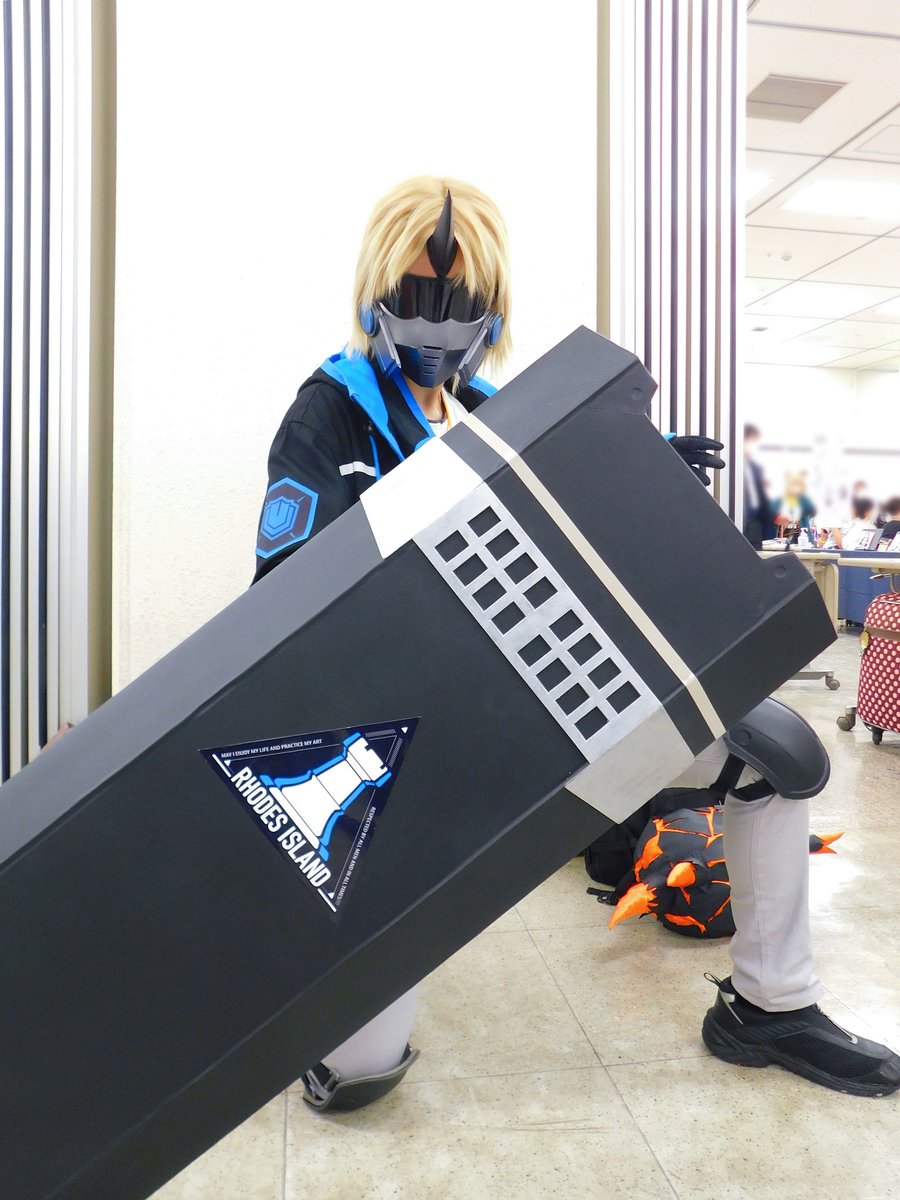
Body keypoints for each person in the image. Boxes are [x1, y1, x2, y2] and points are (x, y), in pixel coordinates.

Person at [254, 176, 900, 1109]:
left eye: (461, 300)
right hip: (406, 748)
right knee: (357, 1075)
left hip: (545, 713)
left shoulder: (500, 413)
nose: (437, 322)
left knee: (773, 758)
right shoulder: (331, 412)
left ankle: (772, 1004)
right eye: (417, 294)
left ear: (493, 306)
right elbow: (282, 610)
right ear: (377, 289)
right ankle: (311, 1011)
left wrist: (632, 478)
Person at [742, 425, 774, 549]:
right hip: (737, 520)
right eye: (752, 441)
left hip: (756, 525)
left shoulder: (756, 468)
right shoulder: (730, 466)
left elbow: (761, 500)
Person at [773, 471, 816, 543]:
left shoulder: (804, 499)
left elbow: (812, 510)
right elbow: (773, 516)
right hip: (784, 539)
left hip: (803, 539)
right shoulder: (779, 500)